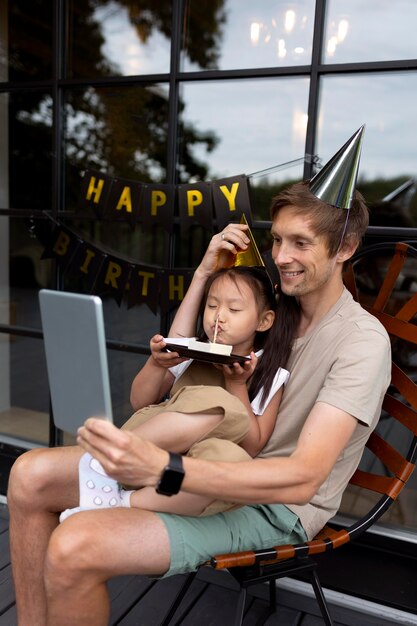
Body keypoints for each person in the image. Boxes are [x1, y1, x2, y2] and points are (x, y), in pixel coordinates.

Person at [7, 131, 392, 626]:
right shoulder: (274, 311)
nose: (280, 256)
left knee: (75, 546)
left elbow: (302, 479)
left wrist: (165, 468)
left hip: (274, 507)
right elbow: (184, 355)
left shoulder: (362, 341)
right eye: (276, 239)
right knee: (27, 476)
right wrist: (205, 271)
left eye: (301, 243)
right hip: (207, 464)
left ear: (345, 248)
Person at [60, 265, 297, 520]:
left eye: (234, 309)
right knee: (218, 401)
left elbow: (253, 445)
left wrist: (237, 385)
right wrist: (156, 363)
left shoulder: (269, 372)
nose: (219, 317)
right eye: (212, 305)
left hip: (181, 476)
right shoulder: (191, 349)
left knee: (237, 462)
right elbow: (139, 401)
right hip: (145, 445)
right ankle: (104, 463)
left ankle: (120, 501)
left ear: (264, 321)